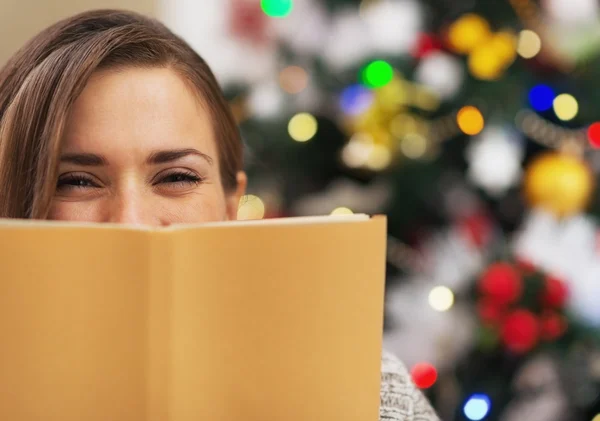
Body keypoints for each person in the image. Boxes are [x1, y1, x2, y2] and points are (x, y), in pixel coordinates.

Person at [0, 9, 439, 420]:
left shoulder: (370, 392)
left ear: (232, 206)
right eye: (76, 181)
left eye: (176, 177)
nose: (131, 221)